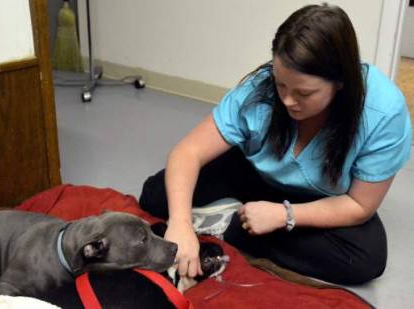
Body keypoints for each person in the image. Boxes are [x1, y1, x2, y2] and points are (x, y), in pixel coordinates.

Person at [139, 3, 412, 285]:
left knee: (366, 259)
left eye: (304, 93)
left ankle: (234, 227)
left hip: (320, 199)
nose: (287, 100)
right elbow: (188, 152)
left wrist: (285, 215)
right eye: (281, 84)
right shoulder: (259, 89)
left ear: (341, 81)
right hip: (253, 173)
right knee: (156, 195)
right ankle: (242, 223)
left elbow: (359, 204)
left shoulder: (383, 112)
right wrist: (180, 224)